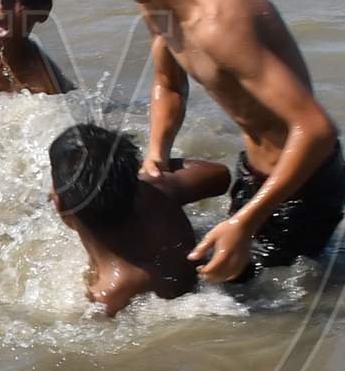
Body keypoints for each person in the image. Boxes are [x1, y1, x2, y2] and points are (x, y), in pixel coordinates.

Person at [77, 0, 345, 284]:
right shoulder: (160, 5)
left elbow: (315, 129)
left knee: (235, 303)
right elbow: (169, 85)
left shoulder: (221, 22)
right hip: (254, 175)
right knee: (202, 277)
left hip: (303, 188)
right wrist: (156, 154)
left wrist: (244, 222)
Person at [48, 124, 230, 314]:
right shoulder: (154, 190)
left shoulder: (110, 297)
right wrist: (151, 171)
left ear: (60, 205)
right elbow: (219, 174)